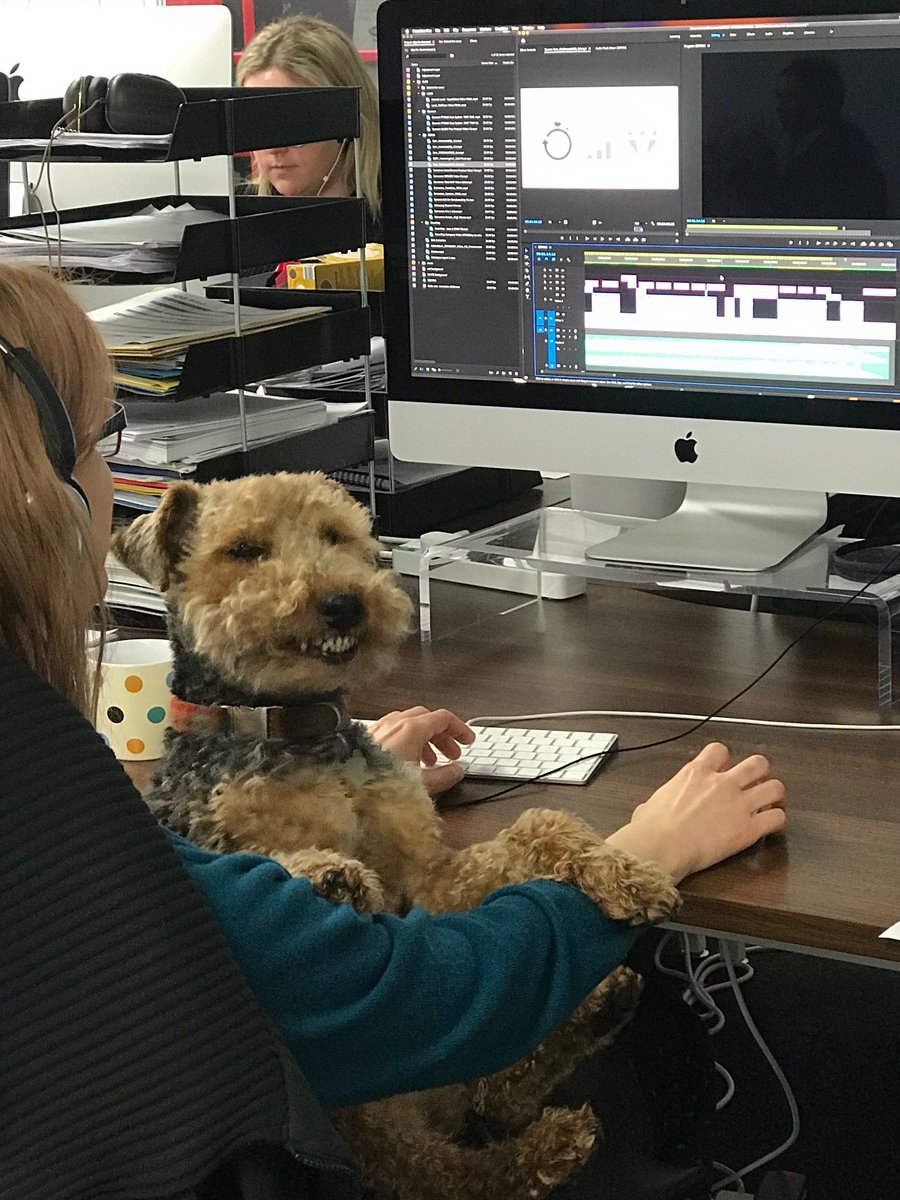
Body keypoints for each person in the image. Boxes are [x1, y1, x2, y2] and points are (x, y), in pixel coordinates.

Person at [0, 263, 786, 1183]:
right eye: (102, 439)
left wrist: (337, 766)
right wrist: (643, 853)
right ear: (37, 491)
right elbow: (391, 994)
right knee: (643, 1071)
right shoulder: (49, 808)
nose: (107, 477)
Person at [237, 15, 381, 227]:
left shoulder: (405, 224)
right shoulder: (232, 215)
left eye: (293, 123)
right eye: (259, 122)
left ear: (348, 116)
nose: (275, 147)